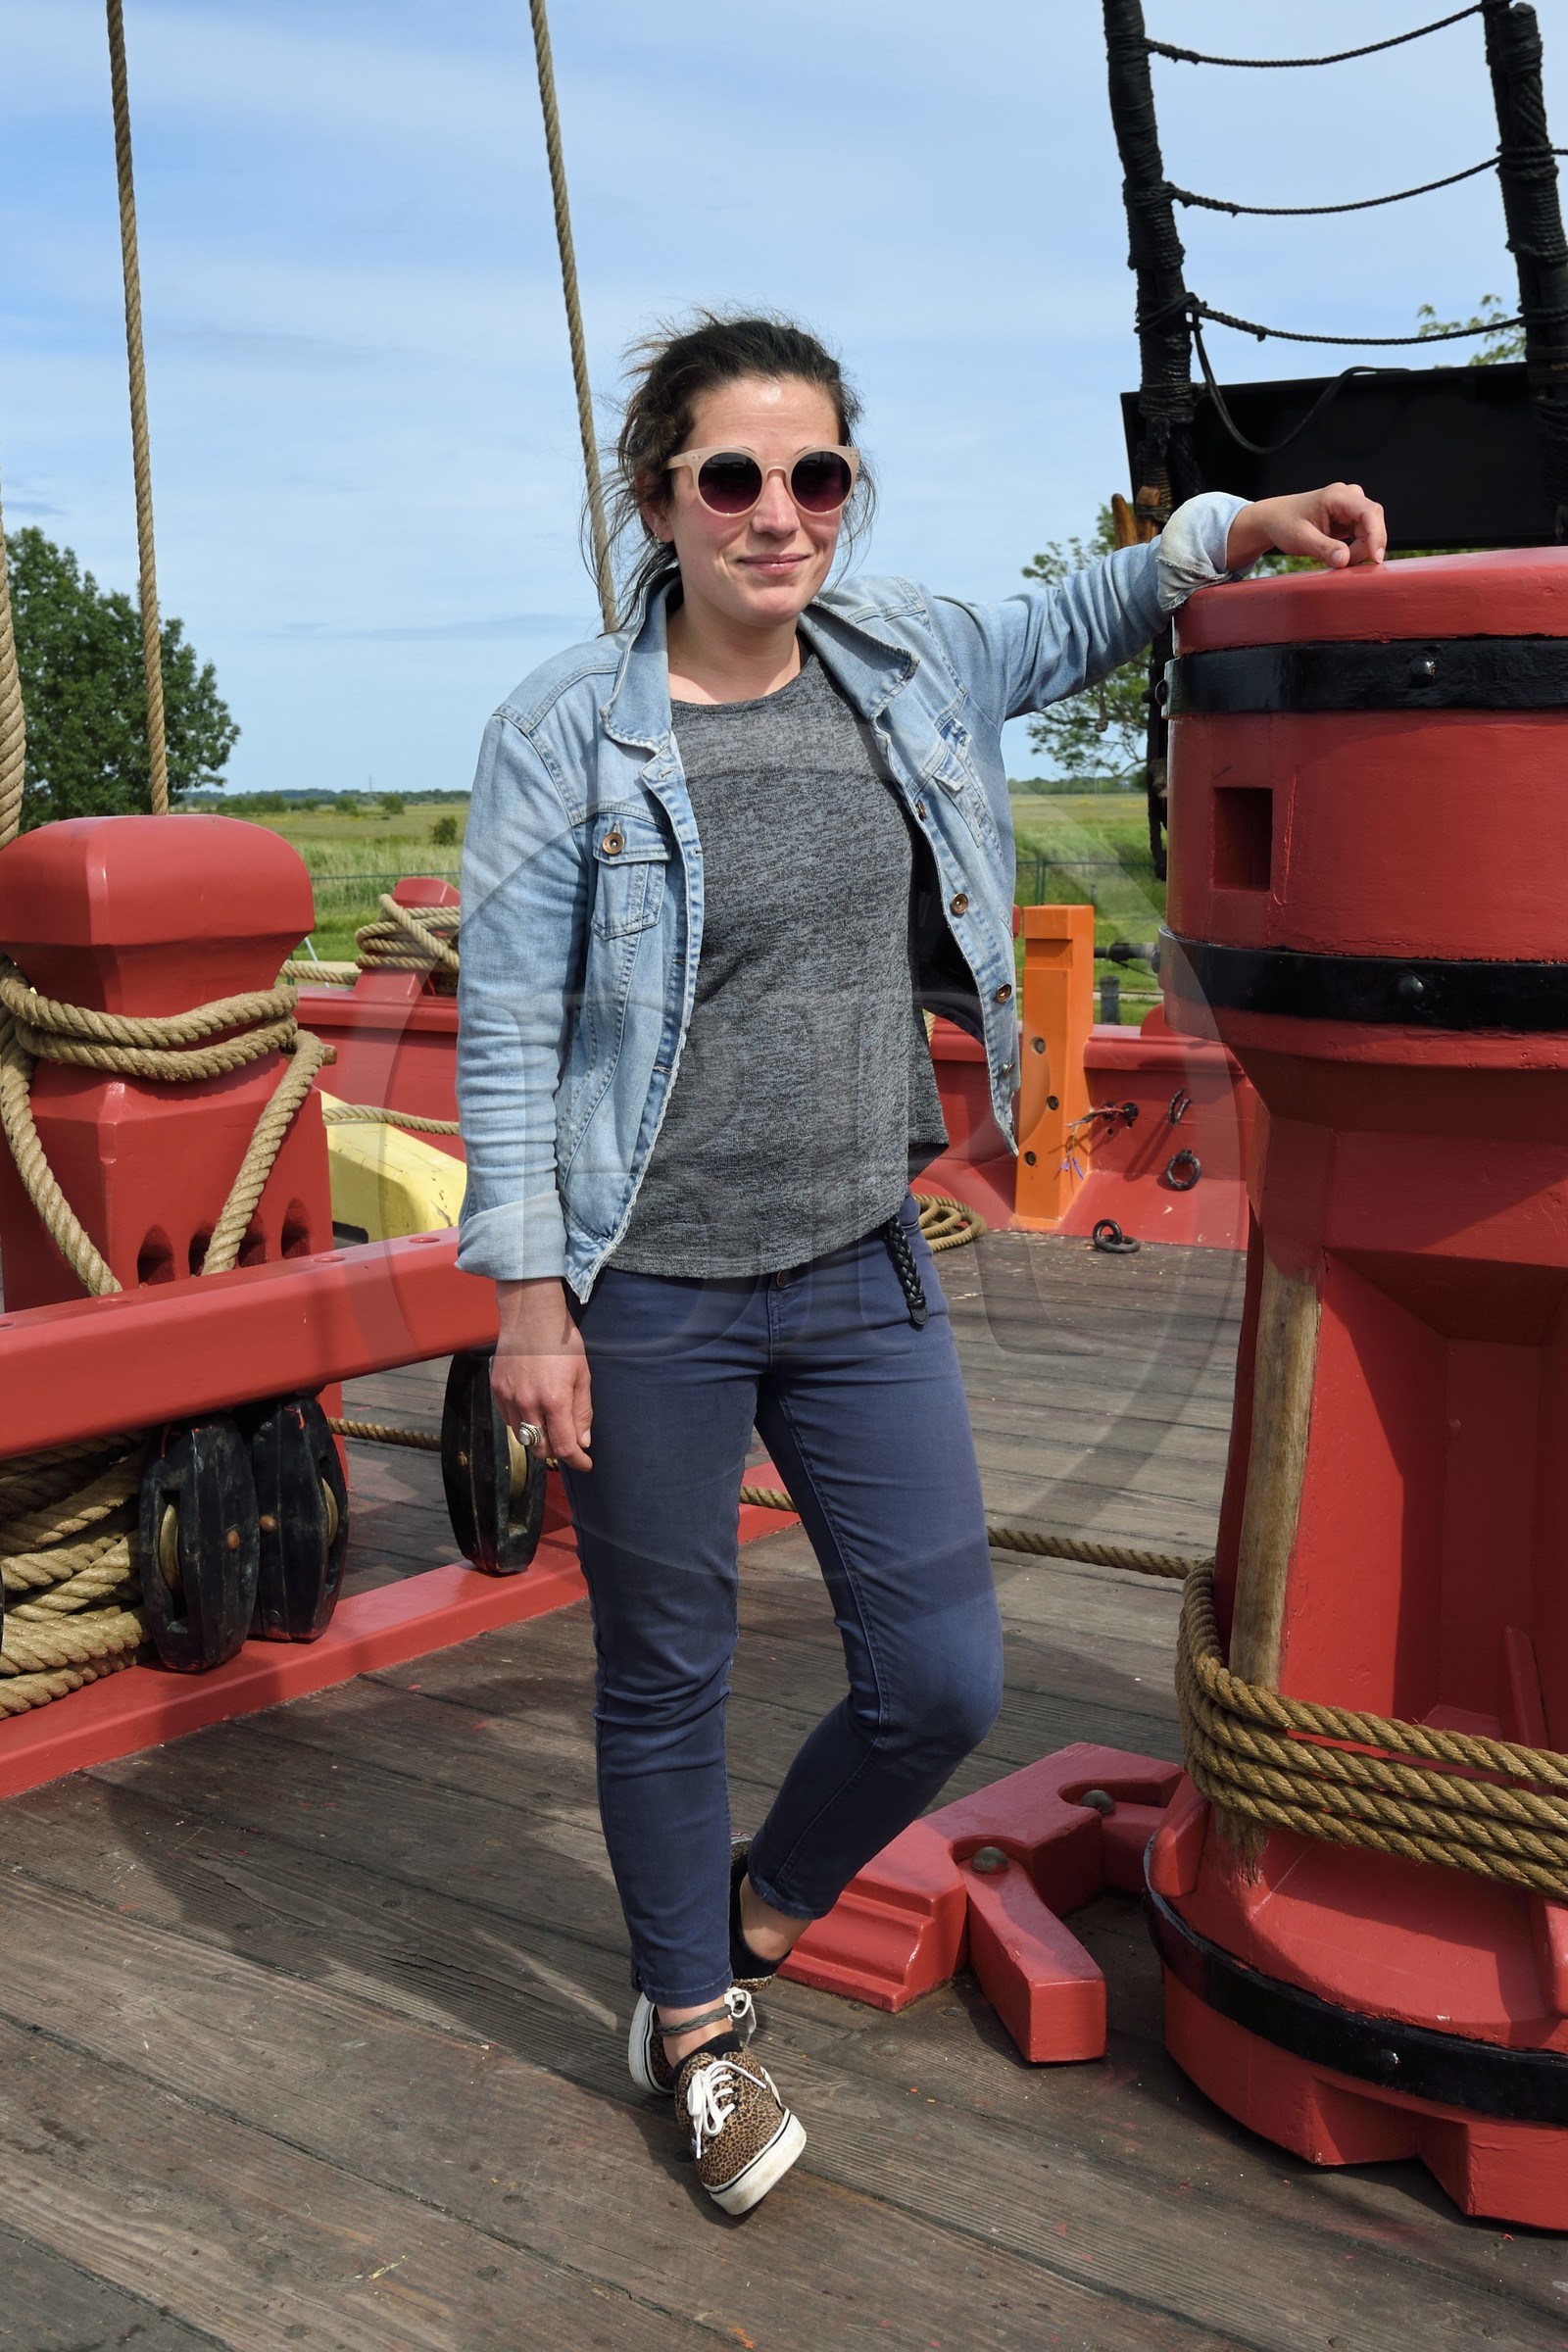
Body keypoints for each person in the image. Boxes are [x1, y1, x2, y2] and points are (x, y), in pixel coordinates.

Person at [455, 311, 1387, 2214]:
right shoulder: (566, 729)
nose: (777, 513)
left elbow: (1089, 611)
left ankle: (759, 1905)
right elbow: (503, 1028)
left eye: (815, 477)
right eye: (733, 478)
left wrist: (1233, 527)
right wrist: (526, 1301)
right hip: (650, 1284)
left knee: (938, 1675)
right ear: (659, 504)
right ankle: (695, 2032)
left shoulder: (905, 661)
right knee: (664, 1678)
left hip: (856, 1258)